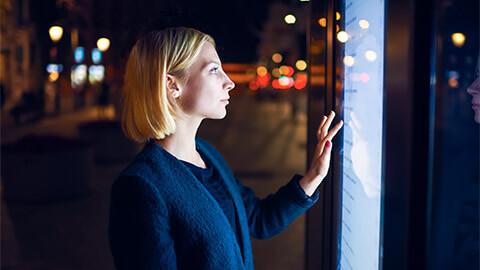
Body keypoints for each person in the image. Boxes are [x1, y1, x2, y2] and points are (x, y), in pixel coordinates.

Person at [109, 27, 343, 269]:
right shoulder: (140, 187)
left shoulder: (208, 155)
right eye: (213, 70)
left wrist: (314, 176)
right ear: (172, 86)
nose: (229, 82)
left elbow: (258, 219)